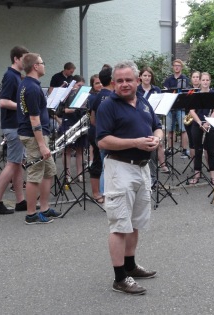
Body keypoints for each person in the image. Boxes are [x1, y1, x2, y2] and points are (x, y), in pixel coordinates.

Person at [97, 60, 162, 295]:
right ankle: (119, 278)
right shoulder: (108, 106)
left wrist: (157, 138)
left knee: (134, 223)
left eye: (129, 80)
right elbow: (103, 141)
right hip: (120, 169)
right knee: (119, 225)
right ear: (114, 83)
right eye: (120, 81)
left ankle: (131, 266)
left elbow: (157, 126)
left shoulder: (143, 102)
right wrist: (135, 142)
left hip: (142, 169)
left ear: (137, 81)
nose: (124, 84)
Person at [17, 52, 61, 224]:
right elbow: (34, 119)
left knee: (49, 171)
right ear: (35, 66)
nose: (44, 65)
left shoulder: (29, 84)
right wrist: (42, 145)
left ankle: (44, 208)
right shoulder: (33, 88)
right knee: (35, 174)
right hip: (35, 136)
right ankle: (30, 214)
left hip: (38, 135)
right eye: (42, 62)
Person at [0, 45, 28, 215]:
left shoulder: (17, 76)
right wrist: (24, 107)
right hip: (13, 126)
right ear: (16, 59)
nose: (27, 62)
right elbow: (3, 102)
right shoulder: (10, 76)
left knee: (17, 164)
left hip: (16, 124)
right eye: (24, 59)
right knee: (12, 163)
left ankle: (20, 201)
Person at [187, 72, 214, 185]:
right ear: (200, 81)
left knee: (210, 151)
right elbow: (191, 110)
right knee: (198, 150)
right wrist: (200, 122)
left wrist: (208, 121)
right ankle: (197, 175)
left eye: (207, 80)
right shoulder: (195, 94)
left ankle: (213, 177)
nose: (205, 82)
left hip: (211, 123)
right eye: (203, 80)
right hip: (198, 123)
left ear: (210, 81)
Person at [137, 66, 168, 181]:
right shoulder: (137, 90)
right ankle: (144, 175)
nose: (147, 78)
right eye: (145, 75)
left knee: (156, 145)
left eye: (149, 76)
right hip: (141, 121)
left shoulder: (156, 90)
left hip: (153, 120)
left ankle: (154, 176)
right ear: (140, 77)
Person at [90, 67, 114, 202]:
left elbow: (92, 119)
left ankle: (103, 194)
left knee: (103, 165)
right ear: (112, 80)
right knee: (108, 167)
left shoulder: (97, 96)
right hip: (110, 137)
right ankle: (106, 195)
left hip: (99, 134)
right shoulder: (113, 96)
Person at [61, 75, 87, 183]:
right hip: (68, 122)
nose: (80, 88)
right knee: (67, 150)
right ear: (74, 84)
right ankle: (67, 175)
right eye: (78, 85)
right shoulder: (67, 94)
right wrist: (73, 109)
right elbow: (62, 109)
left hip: (79, 122)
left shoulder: (84, 95)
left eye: (82, 86)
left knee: (80, 149)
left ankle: (80, 174)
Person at [163, 59, 189, 158]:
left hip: (181, 107)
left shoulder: (185, 79)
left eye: (178, 65)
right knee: (170, 129)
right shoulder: (168, 80)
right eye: (175, 65)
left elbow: (187, 93)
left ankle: (184, 150)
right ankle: (170, 149)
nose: (177, 67)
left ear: (181, 67)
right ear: (173, 67)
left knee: (183, 129)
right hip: (170, 107)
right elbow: (165, 93)